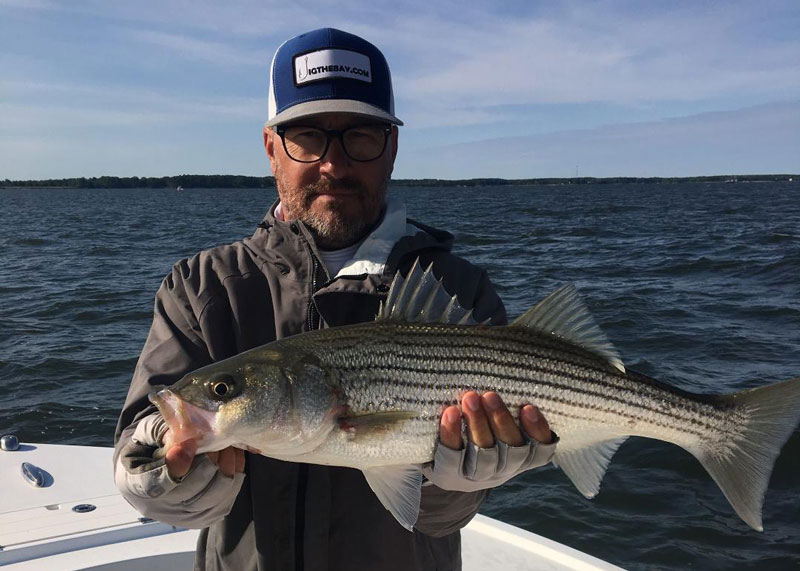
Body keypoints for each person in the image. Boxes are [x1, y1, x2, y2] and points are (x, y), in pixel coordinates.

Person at [114, 28, 557, 571]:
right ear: (271, 145)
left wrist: (464, 477)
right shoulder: (201, 286)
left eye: (362, 137)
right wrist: (171, 457)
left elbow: (437, 518)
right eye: (308, 136)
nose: (335, 164)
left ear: (392, 146)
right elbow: (142, 466)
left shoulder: (458, 288)